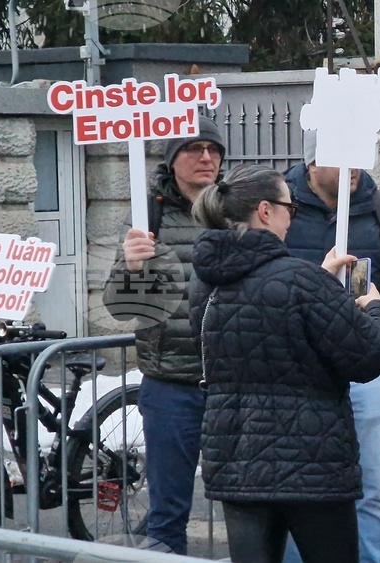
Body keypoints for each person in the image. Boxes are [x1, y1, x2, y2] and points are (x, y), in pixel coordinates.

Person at [189, 164, 380, 563]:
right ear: (265, 211)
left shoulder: (206, 283)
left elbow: (268, 327)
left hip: (236, 460)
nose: (292, 218)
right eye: (290, 208)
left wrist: (321, 283)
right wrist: (375, 309)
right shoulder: (300, 281)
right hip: (312, 465)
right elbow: (369, 354)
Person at [281, 130, 380, 563]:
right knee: (294, 484)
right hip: (299, 369)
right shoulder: (281, 206)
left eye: (359, 155)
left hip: (361, 367)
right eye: (341, 157)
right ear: (313, 163)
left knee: (373, 484)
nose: (354, 168)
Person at [102, 116, 225, 554]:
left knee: (248, 502)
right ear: (172, 159)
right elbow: (123, 309)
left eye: (213, 149)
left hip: (234, 382)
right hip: (172, 384)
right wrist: (132, 268)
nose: (206, 157)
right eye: (194, 148)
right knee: (168, 511)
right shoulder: (147, 216)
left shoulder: (236, 209)